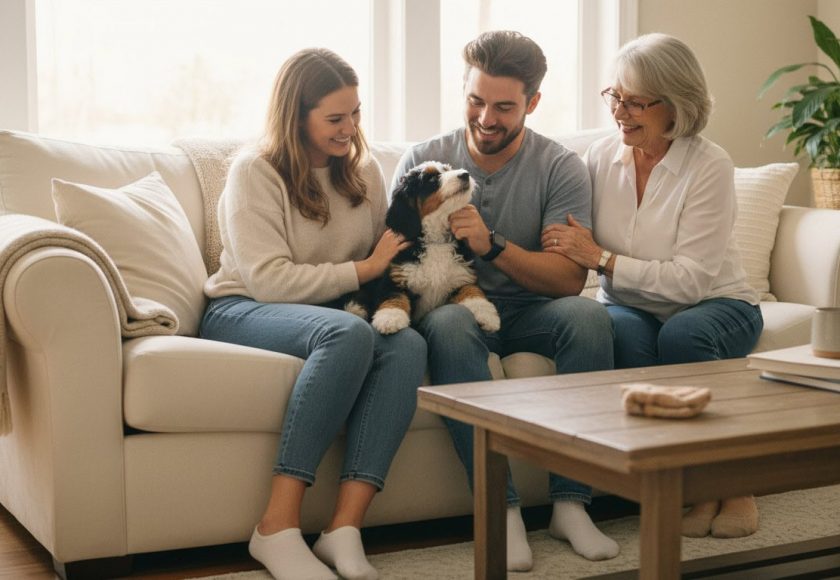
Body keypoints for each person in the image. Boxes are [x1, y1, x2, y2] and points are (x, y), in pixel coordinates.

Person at [393, 30, 619, 571]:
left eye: (504, 106)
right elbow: (399, 259)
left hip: (534, 309)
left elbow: (567, 279)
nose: (486, 118)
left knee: (589, 318)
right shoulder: (424, 159)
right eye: (476, 100)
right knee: (449, 325)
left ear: (532, 104)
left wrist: (490, 245)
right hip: (453, 311)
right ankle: (503, 510)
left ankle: (571, 504)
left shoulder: (560, 166)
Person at [200, 48, 427, 580]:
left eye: (356, 113)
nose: (349, 128)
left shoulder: (364, 170)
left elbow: (383, 258)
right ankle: (276, 528)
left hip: (333, 310)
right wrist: (364, 272)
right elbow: (269, 279)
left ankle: (344, 529)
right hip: (243, 307)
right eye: (334, 118)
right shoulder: (254, 171)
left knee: (408, 345)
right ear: (295, 115)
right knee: (349, 335)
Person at [542, 33, 764, 539]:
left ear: (676, 105)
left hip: (717, 302)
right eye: (615, 97)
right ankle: (678, 484)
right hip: (628, 304)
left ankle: (732, 484)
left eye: (636, 102)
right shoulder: (599, 159)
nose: (620, 111)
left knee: (682, 336)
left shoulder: (709, 165)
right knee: (618, 333)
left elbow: (690, 282)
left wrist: (601, 258)